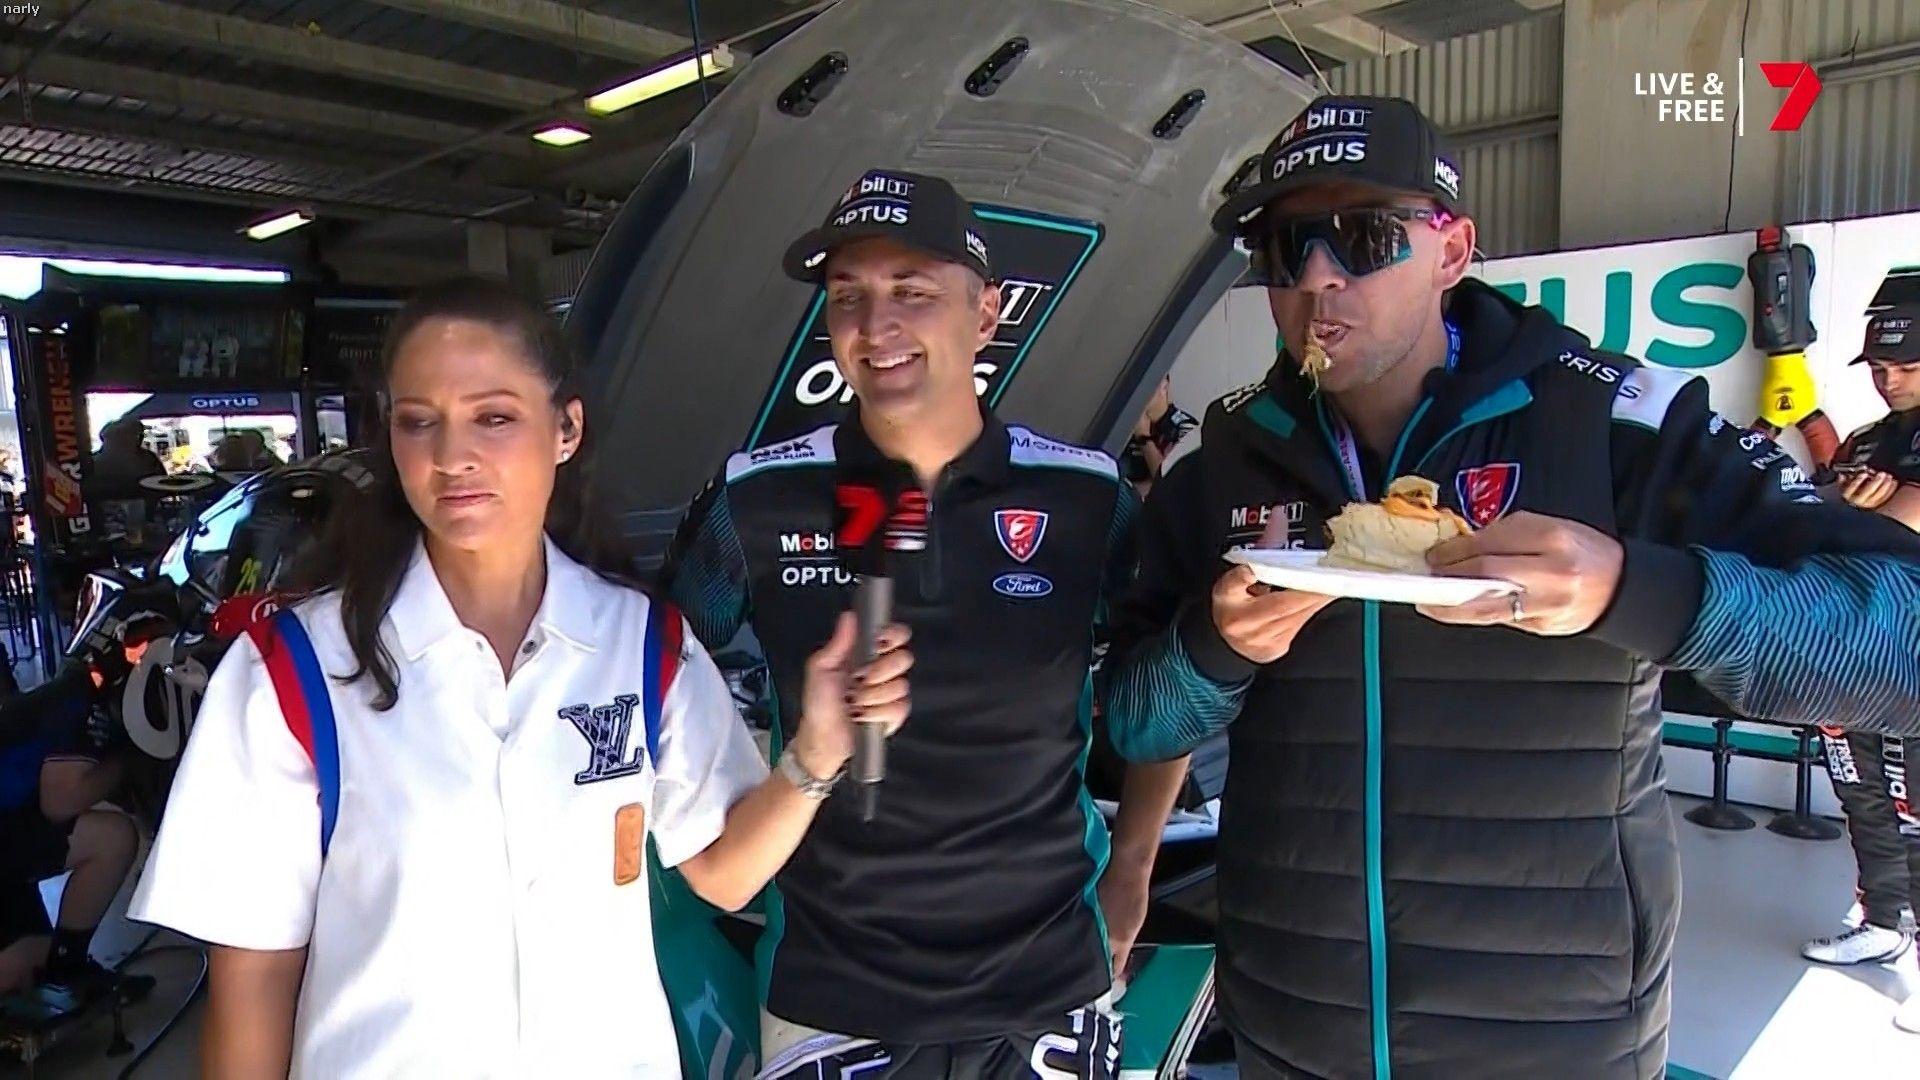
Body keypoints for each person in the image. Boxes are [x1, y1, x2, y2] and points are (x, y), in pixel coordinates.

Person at [1101, 94, 1920, 1078]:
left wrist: (1634, 592)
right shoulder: (1223, 463)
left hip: (1553, 1035)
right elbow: (1135, 726)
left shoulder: (1613, 424)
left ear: (1452, 251)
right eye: (1284, 249)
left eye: (1364, 237)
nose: (1317, 276)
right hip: (1291, 1024)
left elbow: (1902, 644)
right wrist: (1213, 650)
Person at [127, 277, 913, 1079]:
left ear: (566, 428)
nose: (451, 457)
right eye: (418, 421)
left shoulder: (642, 645)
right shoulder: (293, 674)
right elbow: (253, 983)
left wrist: (818, 751)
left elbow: (724, 872)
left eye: (493, 418)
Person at [660, 169, 1188, 1078]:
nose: (875, 326)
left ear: (986, 314)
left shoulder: (1085, 497)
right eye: (848, 297)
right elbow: (656, 683)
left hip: (1049, 985)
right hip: (834, 994)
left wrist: (1134, 867)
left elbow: (1164, 693)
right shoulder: (757, 497)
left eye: (912, 292)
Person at [1801, 305, 1920, 974]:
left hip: (1913, 648)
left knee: (1916, 805)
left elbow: (1909, 518)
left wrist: (1865, 508)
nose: (1889, 381)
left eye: (1906, 367)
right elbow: (1805, 515)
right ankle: (1882, 922)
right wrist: (1857, 506)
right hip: (1850, 640)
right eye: (1878, 368)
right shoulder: (1865, 441)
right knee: (1860, 793)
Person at [0, 679, 150, 1003]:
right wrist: (125, 763)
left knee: (111, 838)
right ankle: (62, 964)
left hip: (9, 831)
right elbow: (60, 803)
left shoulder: (73, 694)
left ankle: (68, 963)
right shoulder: (83, 704)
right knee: (19, 971)